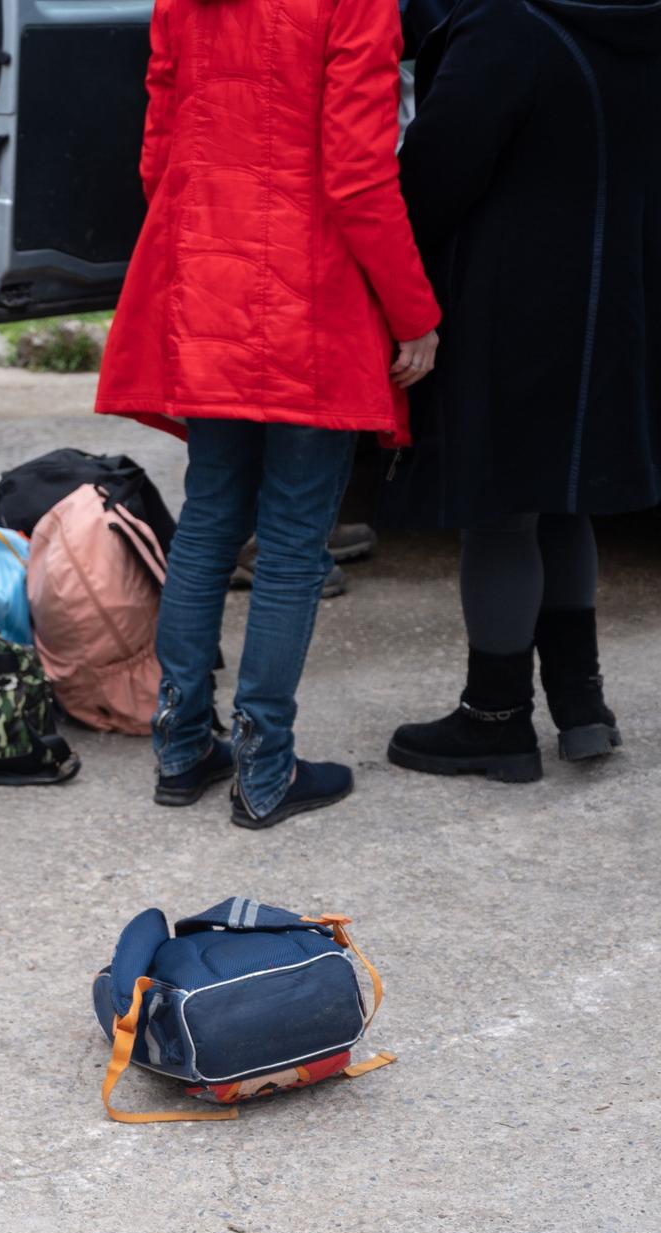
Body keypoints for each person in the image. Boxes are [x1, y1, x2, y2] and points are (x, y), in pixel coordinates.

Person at [94, 0, 441, 829]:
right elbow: (359, 175)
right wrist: (414, 311)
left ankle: (181, 746)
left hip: (207, 282)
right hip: (309, 297)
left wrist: (201, 247)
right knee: (290, 545)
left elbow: (158, 154)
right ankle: (265, 766)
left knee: (209, 516)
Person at [385, 0, 661, 782]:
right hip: (625, 284)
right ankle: (582, 705)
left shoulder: (508, 23)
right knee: (563, 496)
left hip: (516, 294)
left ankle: (495, 719)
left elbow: (433, 174)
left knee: (501, 508)